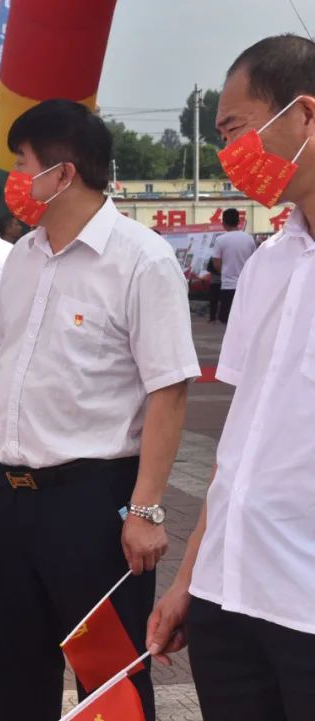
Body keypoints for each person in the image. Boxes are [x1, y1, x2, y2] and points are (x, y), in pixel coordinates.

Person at [0, 99, 199, 721]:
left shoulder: (141, 259)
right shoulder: (24, 255)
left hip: (91, 504)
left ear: (63, 173)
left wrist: (146, 509)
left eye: (22, 164)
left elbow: (168, 389)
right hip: (6, 496)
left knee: (108, 679)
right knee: (16, 669)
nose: (14, 179)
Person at [147, 35, 315, 721]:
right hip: (231, 594)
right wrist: (190, 576)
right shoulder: (271, 264)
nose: (228, 154)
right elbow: (238, 444)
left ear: (305, 114)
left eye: (235, 130)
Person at [210, 207, 256, 324]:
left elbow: (216, 263)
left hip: (228, 285)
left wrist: (225, 271)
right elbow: (254, 260)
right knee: (244, 318)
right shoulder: (249, 239)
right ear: (238, 221)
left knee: (227, 320)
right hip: (245, 285)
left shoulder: (220, 240)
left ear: (224, 223)